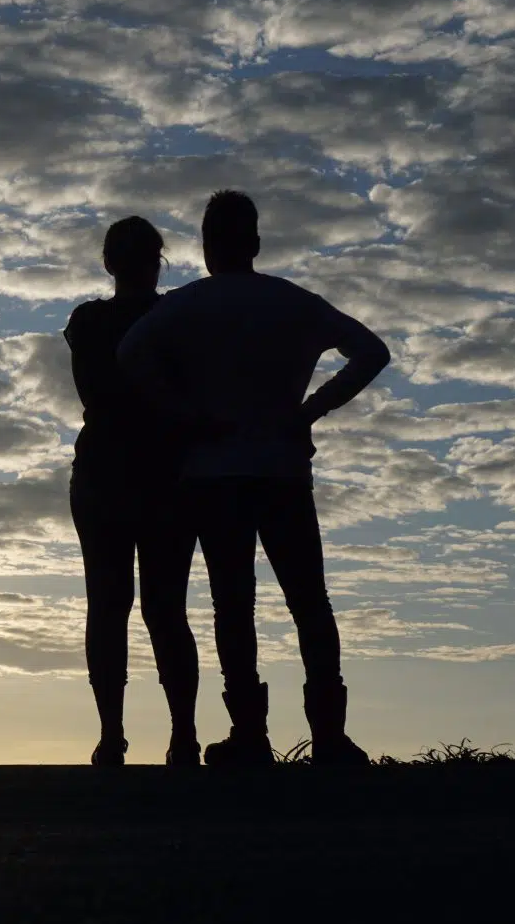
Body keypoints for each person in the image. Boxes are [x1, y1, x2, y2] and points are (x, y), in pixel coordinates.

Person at [117, 190, 390, 767]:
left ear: (207, 247)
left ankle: (249, 734)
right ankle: (330, 737)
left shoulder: (187, 305)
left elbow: (130, 353)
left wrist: (184, 414)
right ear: (257, 243)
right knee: (309, 601)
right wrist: (310, 410)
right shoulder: (293, 302)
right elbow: (371, 352)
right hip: (283, 470)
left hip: (213, 474)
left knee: (233, 604)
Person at [64, 216, 200, 768]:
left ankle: (114, 736)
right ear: (157, 261)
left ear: (108, 263)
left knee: (109, 604)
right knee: (164, 608)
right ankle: (182, 736)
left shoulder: (89, 321)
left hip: (107, 473)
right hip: (163, 475)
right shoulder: (178, 318)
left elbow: (94, 393)